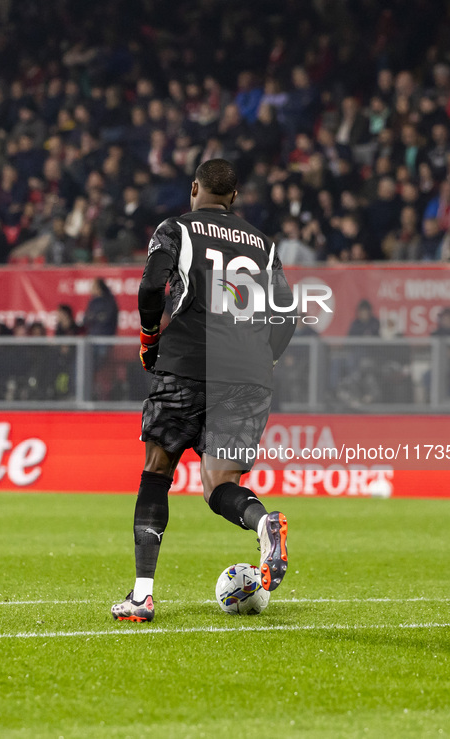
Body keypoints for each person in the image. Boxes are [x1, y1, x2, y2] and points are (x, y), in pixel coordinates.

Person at [112, 159, 295, 623]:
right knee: (219, 486)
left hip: (187, 365)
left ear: (194, 188)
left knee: (157, 472)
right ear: (234, 197)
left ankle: (142, 596)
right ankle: (263, 524)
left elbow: (153, 284)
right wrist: (264, 358)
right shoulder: (264, 245)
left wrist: (150, 336)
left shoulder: (176, 229)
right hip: (248, 377)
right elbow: (288, 313)